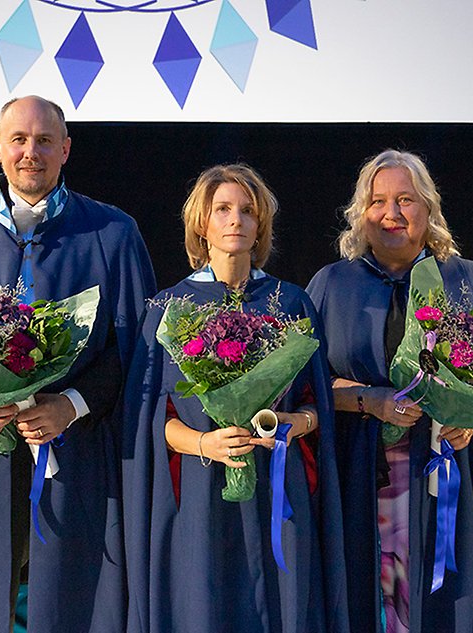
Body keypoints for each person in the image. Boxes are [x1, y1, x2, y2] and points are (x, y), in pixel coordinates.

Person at [0, 95, 156, 633]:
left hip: (80, 456)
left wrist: (71, 404)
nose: (31, 152)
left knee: (74, 600)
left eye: (45, 140)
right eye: (18, 140)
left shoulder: (112, 234)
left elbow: (139, 359)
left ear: (66, 149)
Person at [306, 150, 473, 632]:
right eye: (378, 201)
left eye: (405, 199)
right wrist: (369, 400)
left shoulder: (467, 281)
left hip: (448, 480)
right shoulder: (332, 286)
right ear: (360, 215)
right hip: (359, 481)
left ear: (428, 210)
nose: (391, 213)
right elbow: (304, 391)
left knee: (441, 606)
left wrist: (471, 418)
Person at [122, 164, 349, 632]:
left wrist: (290, 423)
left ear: (260, 224)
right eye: (222, 209)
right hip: (198, 496)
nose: (236, 220)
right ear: (201, 224)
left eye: (248, 211)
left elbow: (316, 405)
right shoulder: (167, 309)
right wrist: (207, 444)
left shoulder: (291, 303)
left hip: (277, 486)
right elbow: (150, 419)